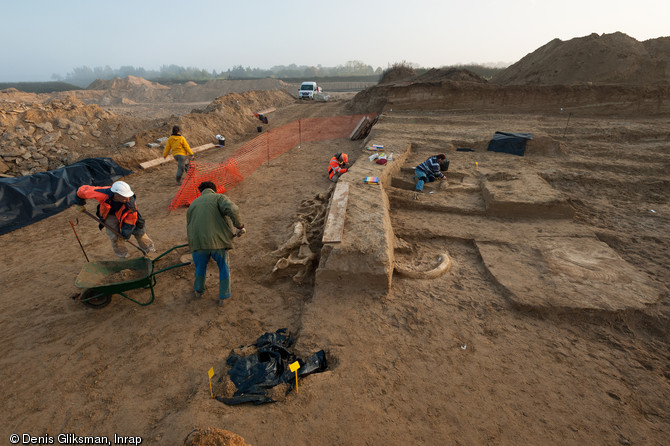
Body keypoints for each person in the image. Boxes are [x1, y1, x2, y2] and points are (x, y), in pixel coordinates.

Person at [186, 181, 246, 307]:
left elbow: (189, 225)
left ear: (201, 192)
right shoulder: (219, 197)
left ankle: (198, 291)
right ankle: (224, 297)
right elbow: (233, 209)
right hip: (218, 242)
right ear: (214, 190)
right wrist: (239, 226)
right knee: (223, 267)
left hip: (198, 243)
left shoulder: (193, 204)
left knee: (200, 267)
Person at [75, 181, 155, 258]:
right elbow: (82, 191)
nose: (128, 199)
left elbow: (130, 223)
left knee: (139, 232)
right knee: (114, 236)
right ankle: (123, 255)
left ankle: (150, 250)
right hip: (110, 215)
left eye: (128, 197)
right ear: (116, 196)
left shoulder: (130, 204)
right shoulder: (103, 193)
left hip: (127, 214)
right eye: (124, 198)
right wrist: (79, 203)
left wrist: (125, 235)